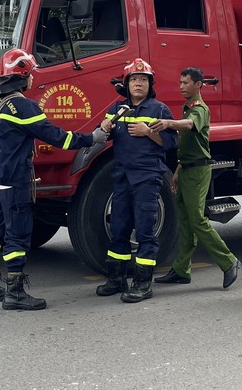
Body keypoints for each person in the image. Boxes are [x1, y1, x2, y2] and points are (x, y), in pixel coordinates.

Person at [0, 49, 106, 310]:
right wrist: (92, 138)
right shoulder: (23, 106)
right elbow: (57, 137)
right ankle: (14, 293)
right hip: (14, 181)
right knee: (18, 234)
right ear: (22, 76)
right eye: (31, 73)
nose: (33, 78)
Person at [95, 58, 178, 303]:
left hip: (146, 177)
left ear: (150, 84)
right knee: (119, 227)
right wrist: (105, 126)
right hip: (122, 177)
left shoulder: (159, 110)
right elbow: (104, 135)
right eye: (134, 80)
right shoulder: (117, 108)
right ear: (127, 84)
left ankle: (143, 283)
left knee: (144, 230)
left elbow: (171, 142)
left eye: (143, 79)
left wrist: (148, 132)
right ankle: (116, 278)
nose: (138, 83)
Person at [150, 67, 240, 290]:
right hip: (187, 169)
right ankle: (181, 270)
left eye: (186, 83)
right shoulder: (188, 107)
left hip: (198, 172)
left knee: (197, 220)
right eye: (180, 82)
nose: (181, 86)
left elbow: (190, 125)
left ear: (198, 85)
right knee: (185, 221)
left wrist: (168, 123)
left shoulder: (199, 108)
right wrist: (178, 171)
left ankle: (229, 261)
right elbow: (189, 145)